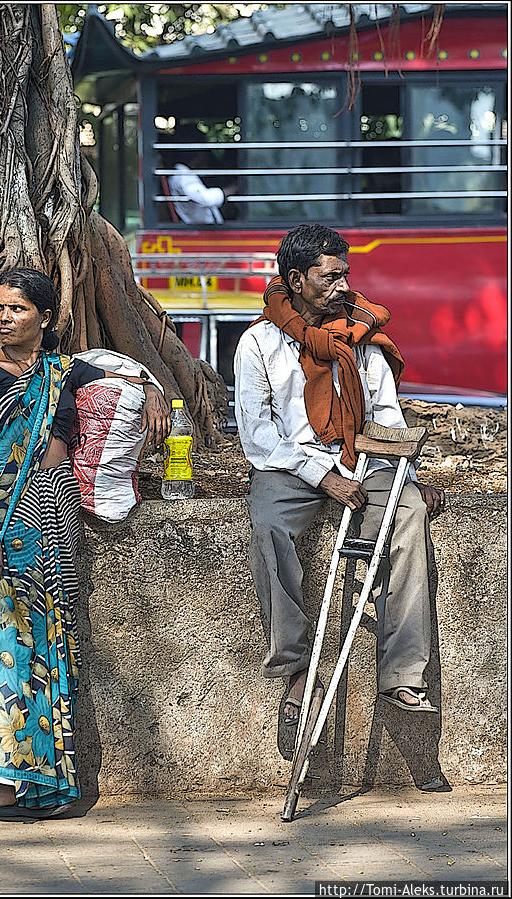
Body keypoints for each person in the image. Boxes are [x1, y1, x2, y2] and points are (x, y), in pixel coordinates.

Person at [0, 267, 170, 819]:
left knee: (34, 644)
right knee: (1, 633)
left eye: (17, 309)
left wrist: (154, 393)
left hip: (47, 515)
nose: (4, 317)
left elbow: (131, 375)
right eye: (0, 308)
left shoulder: (64, 372)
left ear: (44, 317)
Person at [234, 224, 446, 726]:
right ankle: (295, 667)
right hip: (292, 464)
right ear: (296, 279)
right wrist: (322, 475)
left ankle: (402, 677)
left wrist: (405, 472)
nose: (344, 287)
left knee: (409, 514)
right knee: (268, 526)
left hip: (364, 460)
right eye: (329, 277)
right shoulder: (258, 343)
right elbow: (258, 437)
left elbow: (387, 417)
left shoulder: (361, 336)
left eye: (346, 275)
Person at [166, 125, 236, 224]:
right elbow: (205, 198)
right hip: (201, 233)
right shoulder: (182, 175)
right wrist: (230, 190)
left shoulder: (187, 173)